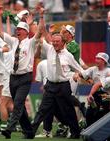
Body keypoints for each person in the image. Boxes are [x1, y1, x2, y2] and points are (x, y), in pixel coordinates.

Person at [31, 10, 83, 138]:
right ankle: (30, 133)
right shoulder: (50, 49)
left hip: (64, 85)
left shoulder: (68, 54)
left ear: (63, 42)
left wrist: (83, 75)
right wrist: (41, 16)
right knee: (42, 109)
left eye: (57, 41)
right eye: (53, 41)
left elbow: (78, 68)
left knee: (68, 110)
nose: (54, 43)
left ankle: (75, 132)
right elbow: (42, 30)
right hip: (50, 85)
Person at [0, 4, 42, 139]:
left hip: (25, 78)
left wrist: (40, 17)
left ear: (26, 32)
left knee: (17, 104)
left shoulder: (31, 42)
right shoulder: (13, 41)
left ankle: (9, 129)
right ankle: (29, 132)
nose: (17, 31)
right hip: (13, 78)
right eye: (17, 29)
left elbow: (39, 32)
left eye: (20, 29)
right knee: (20, 107)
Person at [77, 52, 110, 127]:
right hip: (94, 94)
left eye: (98, 59)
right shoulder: (93, 69)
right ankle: (88, 131)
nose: (96, 60)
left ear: (104, 61)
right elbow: (80, 74)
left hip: (105, 96)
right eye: (96, 58)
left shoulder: (108, 71)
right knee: (90, 114)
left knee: (102, 114)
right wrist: (88, 79)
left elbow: (100, 84)